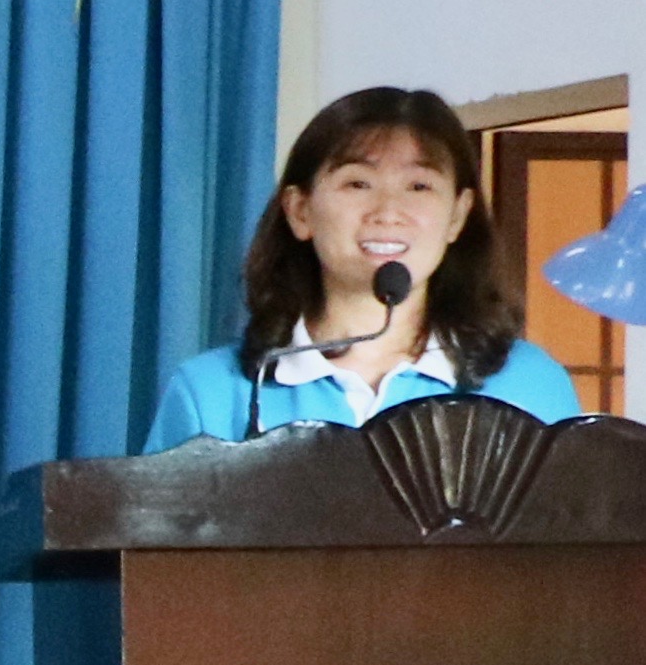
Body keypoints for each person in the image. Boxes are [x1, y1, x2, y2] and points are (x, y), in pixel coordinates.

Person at [142, 84, 586, 443]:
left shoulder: (529, 384)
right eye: (358, 183)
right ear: (300, 211)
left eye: (419, 186)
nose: (388, 212)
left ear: (457, 216)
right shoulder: (213, 391)